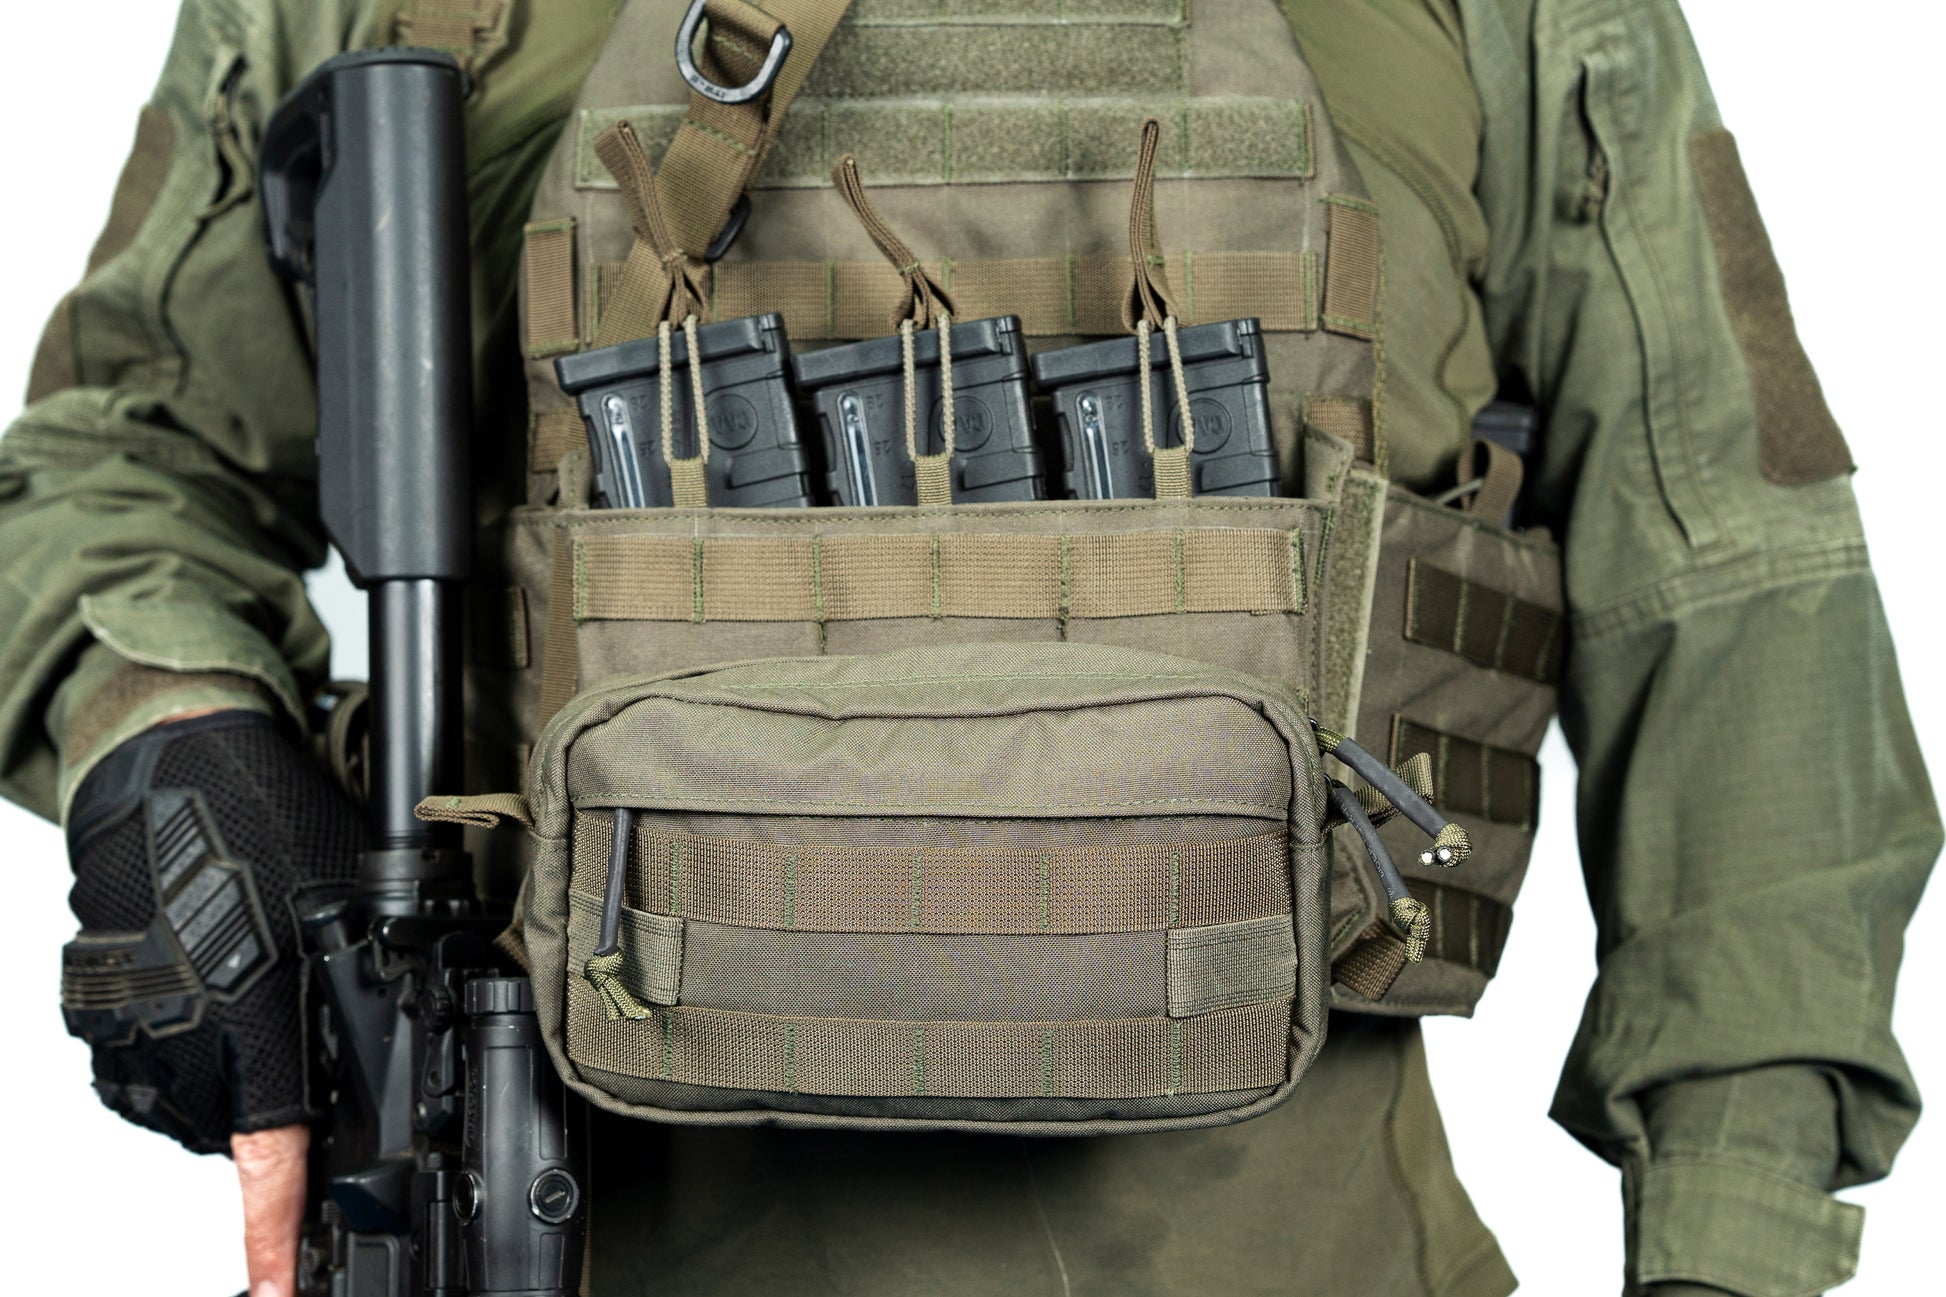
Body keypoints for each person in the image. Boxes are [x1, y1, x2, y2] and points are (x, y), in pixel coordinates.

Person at [0, 2, 1935, 1296]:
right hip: (552, 1215)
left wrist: (1731, 1231)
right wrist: (174, 737)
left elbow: (1732, 592)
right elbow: (106, 463)